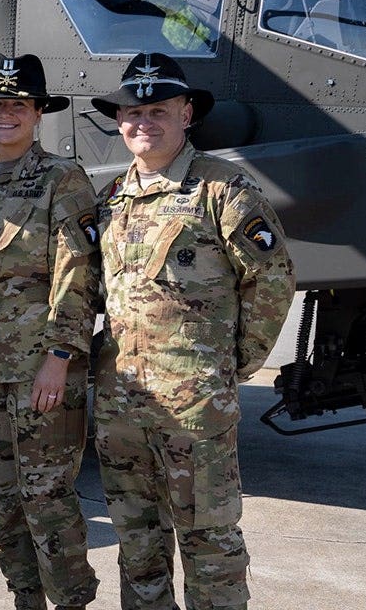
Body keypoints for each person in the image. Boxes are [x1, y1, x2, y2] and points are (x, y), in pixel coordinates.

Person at [90, 53, 295, 610]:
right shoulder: (112, 199)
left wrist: (230, 364)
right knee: (137, 544)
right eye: (133, 112)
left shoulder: (223, 189)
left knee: (210, 543)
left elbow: (271, 280)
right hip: (120, 405)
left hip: (194, 408)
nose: (144, 122)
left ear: (186, 114)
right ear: (119, 120)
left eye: (159, 110)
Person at [0, 54, 100, 610]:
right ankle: (25, 600)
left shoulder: (63, 180)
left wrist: (60, 357)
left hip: (41, 373)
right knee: (1, 502)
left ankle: (72, 602)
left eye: (17, 104)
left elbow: (77, 274)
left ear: (37, 113)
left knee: (48, 499)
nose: (4, 114)